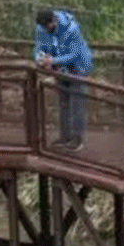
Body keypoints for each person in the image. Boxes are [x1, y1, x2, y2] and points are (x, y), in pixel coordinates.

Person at [33, 9, 93, 150]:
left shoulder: (72, 28)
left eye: (48, 26)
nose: (46, 29)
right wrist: (39, 58)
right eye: (43, 27)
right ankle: (64, 136)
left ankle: (77, 139)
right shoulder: (41, 28)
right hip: (60, 68)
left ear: (54, 20)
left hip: (78, 67)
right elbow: (39, 47)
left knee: (77, 104)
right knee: (63, 103)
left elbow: (74, 54)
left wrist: (53, 60)